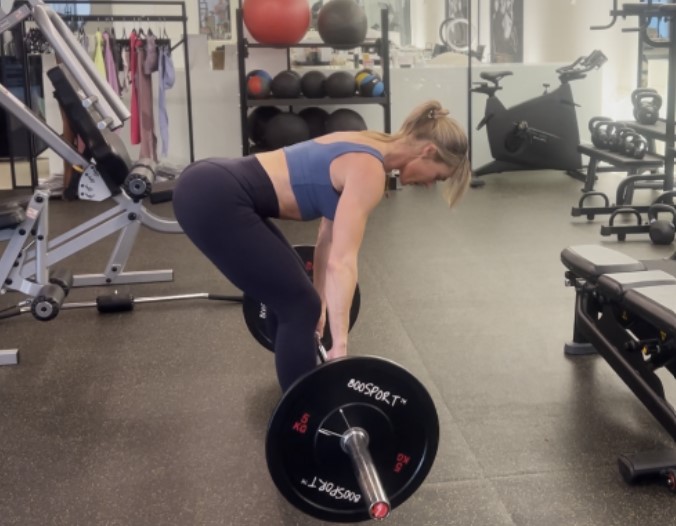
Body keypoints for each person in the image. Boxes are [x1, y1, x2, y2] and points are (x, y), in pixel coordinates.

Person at [172, 100, 472, 391]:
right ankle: (304, 413)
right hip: (217, 197)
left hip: (211, 183)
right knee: (298, 306)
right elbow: (343, 262)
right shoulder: (369, 171)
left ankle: (300, 388)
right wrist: (339, 346)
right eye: (438, 176)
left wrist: (322, 306)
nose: (431, 184)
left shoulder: (365, 142)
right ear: (428, 151)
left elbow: (326, 241)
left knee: (302, 303)